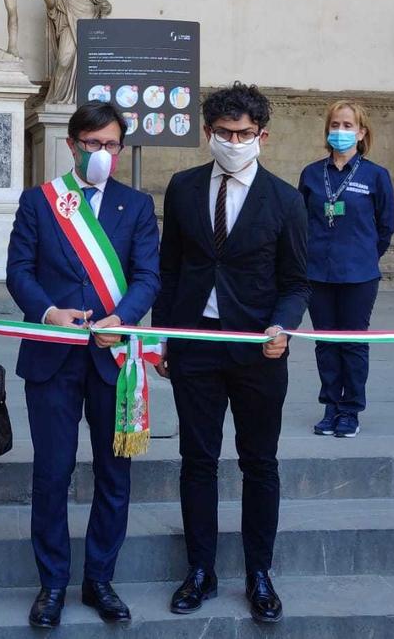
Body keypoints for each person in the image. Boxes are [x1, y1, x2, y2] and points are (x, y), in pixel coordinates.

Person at [153, 83, 309, 623]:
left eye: (244, 134)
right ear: (208, 133)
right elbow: (170, 269)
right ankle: (200, 570)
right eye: (224, 133)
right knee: (197, 460)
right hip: (196, 344)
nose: (234, 142)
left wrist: (283, 326)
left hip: (258, 352)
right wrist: (164, 336)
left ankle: (259, 572)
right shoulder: (183, 187)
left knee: (258, 462)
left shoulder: (286, 199)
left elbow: (297, 281)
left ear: (262, 136)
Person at [6, 101, 160, 628]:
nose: (101, 153)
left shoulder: (136, 206)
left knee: (114, 476)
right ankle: (51, 583)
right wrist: (49, 312)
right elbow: (18, 271)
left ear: (121, 149)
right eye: (92, 144)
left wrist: (124, 316)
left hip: (112, 359)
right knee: (52, 474)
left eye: (111, 145)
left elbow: (149, 276)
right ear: (72, 145)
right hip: (53, 357)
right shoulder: (40, 202)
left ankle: (99, 579)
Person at [297, 101, 394, 438]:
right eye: (335, 125)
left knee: (352, 343)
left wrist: (366, 255)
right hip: (317, 273)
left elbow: (385, 227)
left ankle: (351, 410)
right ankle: (330, 407)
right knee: (325, 342)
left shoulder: (375, 176)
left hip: (358, 275)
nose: (340, 132)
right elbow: (301, 221)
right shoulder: (312, 174)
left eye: (348, 126)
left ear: (362, 132)